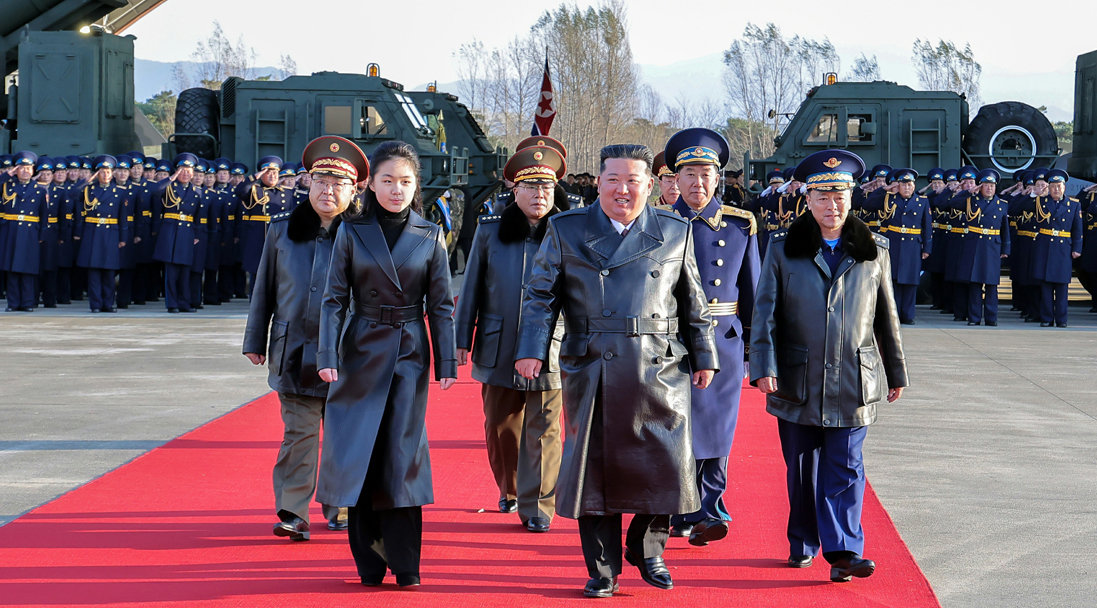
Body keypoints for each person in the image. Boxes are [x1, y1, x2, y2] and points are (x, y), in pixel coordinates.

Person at [514, 143, 718, 598]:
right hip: (594, 362)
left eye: (633, 180)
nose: (622, 190)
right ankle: (602, 569)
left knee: (665, 463)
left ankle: (649, 551)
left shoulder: (673, 229)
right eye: (613, 180)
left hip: (661, 364)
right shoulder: (567, 229)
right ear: (597, 182)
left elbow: (693, 301)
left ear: (650, 184)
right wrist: (531, 348)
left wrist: (704, 355)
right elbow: (540, 296)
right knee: (596, 470)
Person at [750, 149, 908, 583]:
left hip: (855, 378)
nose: (831, 205)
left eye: (839, 195)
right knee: (802, 470)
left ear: (852, 197)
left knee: (847, 465)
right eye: (822, 196)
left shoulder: (876, 251)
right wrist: (763, 364)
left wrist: (896, 373)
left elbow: (886, 317)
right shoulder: (783, 250)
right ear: (807, 198)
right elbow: (765, 313)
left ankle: (844, 551)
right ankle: (802, 539)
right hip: (798, 376)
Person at [316, 140, 457, 588]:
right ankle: (370, 564)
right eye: (388, 180)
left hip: (410, 352)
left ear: (416, 185)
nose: (397, 189)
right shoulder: (351, 232)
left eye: (406, 181)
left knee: (403, 455)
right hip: (360, 350)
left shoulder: (430, 234)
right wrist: (326, 354)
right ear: (370, 184)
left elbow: (441, 305)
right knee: (362, 453)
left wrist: (447, 361)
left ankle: (407, 564)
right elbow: (334, 299)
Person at [244, 136, 368, 541]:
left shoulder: (366, 236)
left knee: (343, 433)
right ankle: (293, 511)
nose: (327, 191)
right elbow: (264, 289)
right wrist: (255, 340)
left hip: (349, 354)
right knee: (298, 434)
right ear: (307, 184)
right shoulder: (282, 232)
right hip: (293, 348)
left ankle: (342, 504)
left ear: (353, 191)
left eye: (337, 184)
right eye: (320, 181)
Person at [456, 143, 567, 532]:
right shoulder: (490, 233)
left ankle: (539, 505)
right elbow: (469, 290)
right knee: (501, 426)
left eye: (547, 189)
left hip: (552, 346)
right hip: (498, 343)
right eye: (531, 188)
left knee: (546, 428)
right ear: (515, 191)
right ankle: (512, 487)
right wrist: (460, 342)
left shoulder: (569, 232)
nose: (539, 196)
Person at [659, 128, 760, 546]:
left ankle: (711, 507)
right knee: (673, 427)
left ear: (719, 178)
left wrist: (757, 349)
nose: (698, 184)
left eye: (706, 175)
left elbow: (754, 292)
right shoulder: (660, 223)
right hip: (671, 339)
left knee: (717, 429)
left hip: (724, 339)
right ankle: (676, 508)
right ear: (674, 180)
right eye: (689, 175)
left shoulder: (741, 225)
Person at [858, 168, 932, 324]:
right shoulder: (889, 199)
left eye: (910, 184)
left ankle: (908, 315)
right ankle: (894, 314)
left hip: (913, 246)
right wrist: (884, 189)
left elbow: (927, 227)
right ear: (897, 186)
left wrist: (927, 248)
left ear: (914, 185)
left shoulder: (922, 201)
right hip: (894, 245)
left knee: (911, 282)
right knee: (894, 281)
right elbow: (867, 204)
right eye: (903, 184)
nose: (907, 188)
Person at [949, 169, 1010, 326]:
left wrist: (1005, 250)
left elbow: (1005, 230)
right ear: (980, 186)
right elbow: (952, 203)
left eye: (992, 185)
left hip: (993, 247)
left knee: (991, 285)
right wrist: (968, 192)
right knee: (975, 284)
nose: (989, 188)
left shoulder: (1002, 204)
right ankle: (974, 318)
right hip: (975, 246)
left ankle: (991, 318)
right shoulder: (971, 200)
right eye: (986, 185)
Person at [1023, 169, 1082, 327]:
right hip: (1045, 248)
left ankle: (1062, 319)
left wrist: (1077, 248)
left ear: (1064, 187)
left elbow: (1077, 230)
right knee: (1046, 286)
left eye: (1059, 185)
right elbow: (1018, 209)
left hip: (1063, 249)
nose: (1056, 189)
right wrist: (1035, 195)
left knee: (1062, 286)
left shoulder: (1073, 205)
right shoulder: (1041, 202)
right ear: (1049, 187)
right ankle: (1047, 318)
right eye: (1053, 186)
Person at [74, 155, 130, 313]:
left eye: (108, 172)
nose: (105, 175)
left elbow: (123, 217)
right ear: (97, 173)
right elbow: (71, 193)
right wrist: (87, 180)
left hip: (111, 234)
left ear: (112, 174)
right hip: (93, 233)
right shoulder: (88, 190)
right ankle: (96, 304)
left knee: (109, 272)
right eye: (102, 172)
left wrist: (123, 238)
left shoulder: (119, 192)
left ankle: (108, 303)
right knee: (94, 272)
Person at [149, 154, 203, 313]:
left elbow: (198, 216)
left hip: (187, 232)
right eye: (182, 170)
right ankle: (172, 304)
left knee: (185, 271)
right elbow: (155, 191)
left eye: (189, 171)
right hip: (170, 231)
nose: (186, 174)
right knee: (171, 272)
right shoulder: (169, 187)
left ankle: (185, 303)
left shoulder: (196, 192)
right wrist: (171, 178)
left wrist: (197, 235)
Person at [1, 151, 49, 311]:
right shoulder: (6, 185)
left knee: (28, 269)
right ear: (16, 169)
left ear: (33, 170)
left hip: (30, 234)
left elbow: (44, 215)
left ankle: (27, 303)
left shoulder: (39, 190)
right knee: (12, 269)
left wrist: (42, 235)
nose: (25, 171)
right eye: (21, 168)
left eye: (28, 168)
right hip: (11, 232)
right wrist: (7, 175)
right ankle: (13, 303)